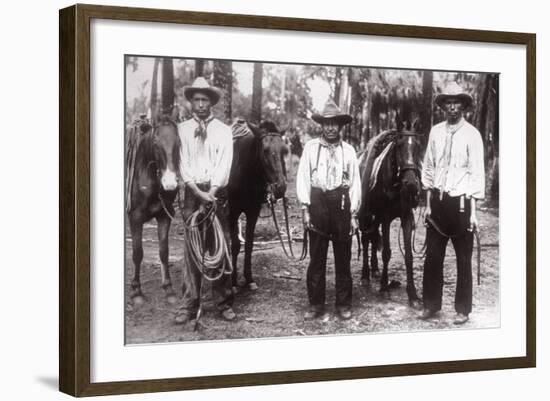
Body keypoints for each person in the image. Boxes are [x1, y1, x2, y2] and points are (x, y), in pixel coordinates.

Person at [420, 81, 485, 325]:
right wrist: (427, 204)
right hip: (437, 202)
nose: (452, 107)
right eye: (448, 102)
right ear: (443, 106)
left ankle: (462, 309)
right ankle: (431, 305)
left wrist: (473, 213)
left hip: (461, 205)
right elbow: (428, 167)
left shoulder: (472, 134)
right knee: (433, 258)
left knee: (463, 259)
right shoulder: (436, 132)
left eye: (456, 102)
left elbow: (477, 173)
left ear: (463, 106)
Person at [174, 77, 236, 325]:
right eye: (196, 99)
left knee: (220, 246)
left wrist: (212, 191)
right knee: (192, 248)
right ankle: (189, 303)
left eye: (205, 100)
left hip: (217, 191)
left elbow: (225, 163)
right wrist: (198, 193)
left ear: (211, 102)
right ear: (191, 102)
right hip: (192, 193)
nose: (200, 104)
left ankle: (223, 302)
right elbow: (182, 163)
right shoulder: (182, 130)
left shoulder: (223, 130)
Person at [296, 99, 361, 320]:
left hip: (341, 205)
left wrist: (353, 215)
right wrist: (305, 209)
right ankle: (316, 304)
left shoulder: (349, 151)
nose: (331, 128)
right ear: (321, 125)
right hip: (318, 205)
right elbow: (303, 179)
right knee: (317, 257)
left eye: (335, 123)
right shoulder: (311, 148)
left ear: (340, 126)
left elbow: (355, 184)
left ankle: (343, 304)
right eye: (327, 123)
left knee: (343, 257)